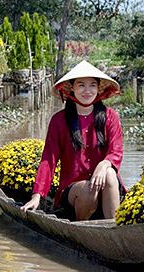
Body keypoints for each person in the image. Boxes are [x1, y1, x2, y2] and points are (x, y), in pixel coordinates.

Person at [21, 60, 125, 220]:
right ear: (72, 89)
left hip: (105, 190)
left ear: (98, 89)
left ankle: (114, 228)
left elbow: (115, 151)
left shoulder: (110, 116)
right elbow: (49, 159)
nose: (87, 91)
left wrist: (104, 164)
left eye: (92, 85)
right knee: (89, 191)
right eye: (81, 85)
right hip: (74, 193)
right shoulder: (59, 120)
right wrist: (37, 195)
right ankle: (80, 229)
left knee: (110, 173)